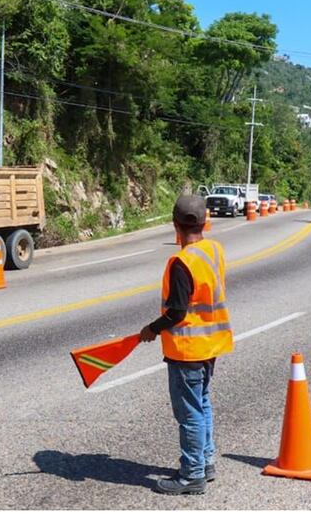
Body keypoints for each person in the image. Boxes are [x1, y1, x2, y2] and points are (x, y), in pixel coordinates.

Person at [139, 194, 233, 496]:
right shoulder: (214, 250)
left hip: (188, 350)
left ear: (174, 224)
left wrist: (152, 329)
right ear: (206, 222)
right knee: (202, 404)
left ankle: (192, 475)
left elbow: (177, 312)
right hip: (210, 345)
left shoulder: (181, 262)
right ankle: (206, 462)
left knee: (190, 413)